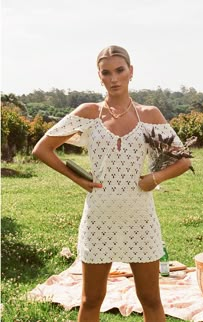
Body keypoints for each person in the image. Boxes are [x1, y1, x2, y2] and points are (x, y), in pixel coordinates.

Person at [32, 45, 191, 322]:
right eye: (106, 73)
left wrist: (153, 179)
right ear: (99, 77)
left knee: (151, 299)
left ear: (131, 72)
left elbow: (183, 160)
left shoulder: (149, 115)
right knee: (90, 299)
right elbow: (42, 149)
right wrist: (79, 179)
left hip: (140, 217)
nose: (114, 78)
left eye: (119, 70)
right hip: (99, 217)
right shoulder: (89, 113)